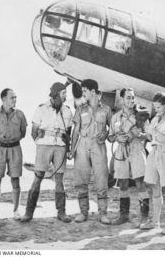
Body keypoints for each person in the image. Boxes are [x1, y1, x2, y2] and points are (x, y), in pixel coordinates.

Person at [21, 82, 72, 223]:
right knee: (38, 178)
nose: (66, 96)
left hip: (60, 147)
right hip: (44, 146)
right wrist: (40, 145)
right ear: (55, 95)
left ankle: (61, 212)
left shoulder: (67, 111)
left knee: (60, 180)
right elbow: (34, 131)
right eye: (63, 94)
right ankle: (28, 212)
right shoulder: (41, 109)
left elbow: (68, 133)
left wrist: (67, 148)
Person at [0, 88, 27, 220]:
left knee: (15, 180)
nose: (15, 100)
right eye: (12, 97)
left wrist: (11, 141)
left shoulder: (20, 115)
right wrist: (1, 141)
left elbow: (23, 133)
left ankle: (16, 210)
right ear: (3, 99)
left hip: (15, 149)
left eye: (15, 97)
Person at [71, 79, 112, 224]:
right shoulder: (80, 109)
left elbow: (112, 130)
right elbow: (75, 131)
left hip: (98, 145)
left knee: (101, 179)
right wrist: (72, 149)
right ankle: (83, 212)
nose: (83, 94)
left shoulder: (106, 110)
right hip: (83, 144)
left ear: (93, 92)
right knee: (81, 180)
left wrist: (106, 134)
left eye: (85, 91)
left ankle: (103, 213)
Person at [108, 88, 150, 227]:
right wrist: (117, 137)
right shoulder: (116, 117)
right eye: (128, 98)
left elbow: (150, 136)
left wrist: (139, 134)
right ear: (122, 100)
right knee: (123, 184)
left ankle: (144, 217)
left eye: (133, 98)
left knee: (140, 183)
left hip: (137, 150)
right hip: (121, 152)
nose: (131, 100)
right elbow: (110, 136)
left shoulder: (141, 115)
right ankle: (123, 215)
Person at [141, 92, 165, 235]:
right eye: (155, 107)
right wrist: (146, 130)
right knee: (154, 186)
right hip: (155, 152)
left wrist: (156, 133)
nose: (156, 110)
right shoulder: (156, 118)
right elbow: (151, 136)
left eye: (158, 107)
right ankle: (155, 221)